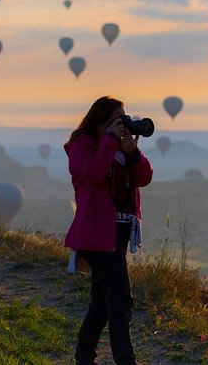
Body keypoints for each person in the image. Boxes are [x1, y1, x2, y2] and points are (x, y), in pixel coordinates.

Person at [64, 96, 153, 365]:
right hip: (96, 233)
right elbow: (92, 173)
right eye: (118, 119)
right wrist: (110, 141)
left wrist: (132, 152)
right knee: (121, 301)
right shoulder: (82, 146)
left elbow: (145, 177)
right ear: (101, 121)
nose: (123, 124)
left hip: (120, 231)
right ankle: (126, 361)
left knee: (102, 304)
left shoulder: (120, 148)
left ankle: (84, 357)